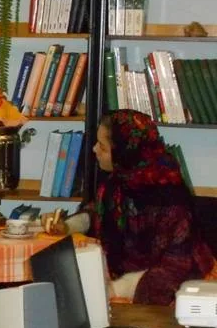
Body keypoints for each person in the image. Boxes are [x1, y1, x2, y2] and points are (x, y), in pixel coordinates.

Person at [43, 109, 215, 305]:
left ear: (124, 152)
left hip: (182, 292)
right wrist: (67, 226)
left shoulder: (171, 201)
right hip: (127, 284)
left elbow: (175, 269)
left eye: (102, 146)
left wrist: (116, 290)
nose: (94, 149)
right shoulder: (120, 181)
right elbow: (96, 211)